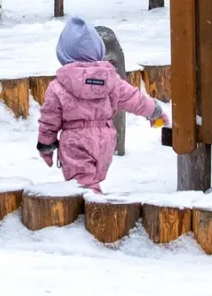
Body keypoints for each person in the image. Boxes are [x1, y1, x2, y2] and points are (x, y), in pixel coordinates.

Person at [36, 17, 167, 193]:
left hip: (76, 143)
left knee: (85, 189)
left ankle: (94, 214)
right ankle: (94, 207)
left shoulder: (58, 86)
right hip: (105, 141)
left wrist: (46, 145)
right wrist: (155, 111)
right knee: (91, 183)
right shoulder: (110, 80)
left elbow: (49, 121)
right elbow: (134, 99)